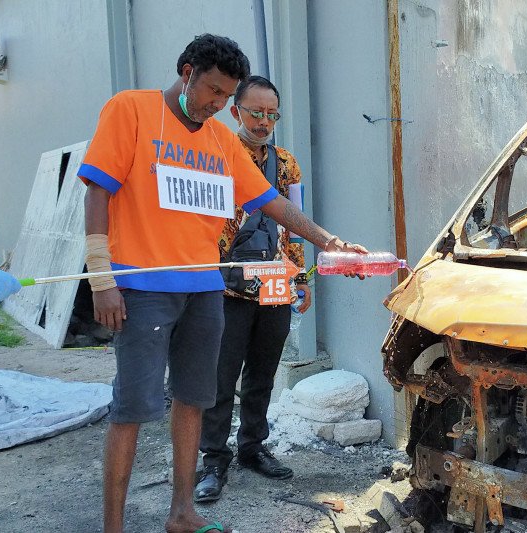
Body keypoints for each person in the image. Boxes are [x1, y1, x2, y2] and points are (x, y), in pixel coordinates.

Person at [79, 34, 365, 533]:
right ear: (186, 71)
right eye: (212, 90)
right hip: (142, 287)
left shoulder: (219, 141)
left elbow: (272, 203)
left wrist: (327, 239)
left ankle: (182, 514)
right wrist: (102, 278)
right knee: (133, 407)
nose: (216, 104)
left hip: (205, 287)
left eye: (224, 96)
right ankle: (113, 527)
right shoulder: (131, 110)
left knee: (196, 398)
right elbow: (98, 192)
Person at [195, 76, 306, 503]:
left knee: (262, 373)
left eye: (271, 114)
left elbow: (296, 221)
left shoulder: (288, 164)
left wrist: (300, 276)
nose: (263, 122)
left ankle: (253, 447)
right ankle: (213, 459)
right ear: (234, 111)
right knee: (221, 376)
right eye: (255, 112)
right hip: (223, 287)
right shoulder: (214, 153)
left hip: (275, 285)